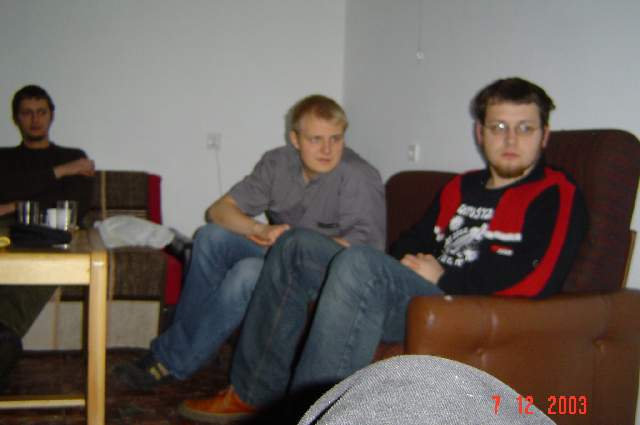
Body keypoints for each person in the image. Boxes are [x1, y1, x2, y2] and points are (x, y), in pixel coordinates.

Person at [177, 77, 588, 423]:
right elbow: (412, 238)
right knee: (295, 243)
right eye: (498, 126)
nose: (510, 139)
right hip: (419, 293)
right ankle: (251, 393)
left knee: (359, 261)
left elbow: (538, 277)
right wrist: (408, 262)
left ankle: (314, 417)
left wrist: (444, 276)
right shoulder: (460, 187)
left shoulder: (555, 193)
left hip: (466, 308)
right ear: (480, 132)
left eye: (525, 128)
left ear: (545, 135)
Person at [114, 94, 386, 390]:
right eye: (316, 139)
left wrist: (301, 245)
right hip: (280, 252)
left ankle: (169, 359)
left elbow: (368, 254)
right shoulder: (277, 162)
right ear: (295, 139)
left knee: (249, 272)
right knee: (210, 237)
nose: (327, 149)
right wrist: (260, 228)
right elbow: (218, 211)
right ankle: (192, 344)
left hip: (326, 270)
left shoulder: (359, 177)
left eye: (335, 138)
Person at [0, 84, 95, 390]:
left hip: (49, 232)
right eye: (27, 113)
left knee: (48, 256)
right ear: (16, 118)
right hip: (5, 231)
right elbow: (5, 186)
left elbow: (75, 205)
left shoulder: (75, 155)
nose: (35, 120)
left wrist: (14, 205)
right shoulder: (5, 158)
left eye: (41, 112)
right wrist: (61, 172)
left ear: (52, 115)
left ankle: (3, 336)